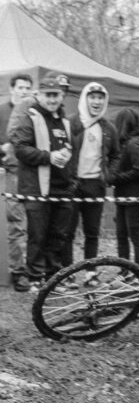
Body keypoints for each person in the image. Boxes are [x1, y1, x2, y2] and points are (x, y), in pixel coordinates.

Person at [10, 73, 75, 290]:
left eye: (56, 94)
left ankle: (53, 277)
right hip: (36, 187)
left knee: (58, 235)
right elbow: (20, 148)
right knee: (37, 235)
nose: (53, 99)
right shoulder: (30, 115)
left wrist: (66, 158)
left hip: (62, 187)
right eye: (48, 95)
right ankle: (35, 277)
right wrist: (48, 157)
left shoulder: (64, 120)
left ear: (61, 95)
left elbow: (69, 148)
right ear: (40, 95)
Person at [64, 82, 119, 268]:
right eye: (93, 97)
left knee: (92, 232)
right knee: (67, 232)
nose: (96, 101)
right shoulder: (72, 123)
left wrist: (109, 176)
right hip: (72, 185)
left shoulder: (108, 128)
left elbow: (116, 155)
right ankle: (66, 273)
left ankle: (90, 272)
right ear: (85, 99)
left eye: (100, 98)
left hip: (95, 185)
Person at [0, 74, 34, 290]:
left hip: (33, 174)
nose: (23, 91)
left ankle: (34, 270)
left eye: (27, 88)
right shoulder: (2, 111)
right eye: (20, 87)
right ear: (12, 89)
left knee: (35, 226)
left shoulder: (33, 111)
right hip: (11, 174)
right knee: (16, 225)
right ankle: (17, 273)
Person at [112, 107, 139, 269]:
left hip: (135, 197)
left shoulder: (134, 144)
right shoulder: (125, 143)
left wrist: (117, 178)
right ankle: (125, 271)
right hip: (122, 196)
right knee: (121, 235)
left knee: (135, 236)